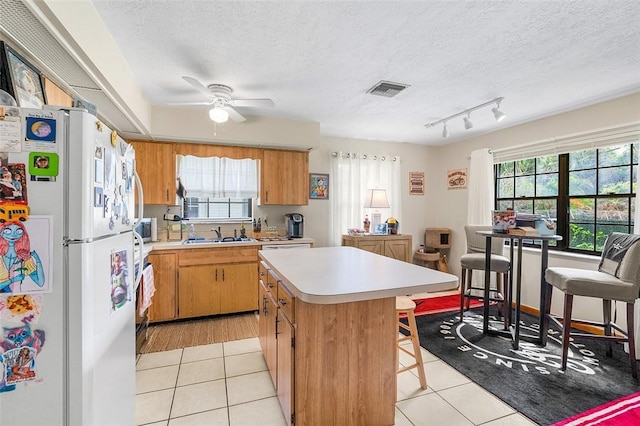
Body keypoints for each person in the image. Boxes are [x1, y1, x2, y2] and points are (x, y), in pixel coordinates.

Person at [0, 221, 44, 293]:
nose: (13, 234)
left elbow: (40, 282)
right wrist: (13, 280)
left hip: (17, 300)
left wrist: (37, 259)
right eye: (7, 231)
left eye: (18, 231)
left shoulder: (24, 258)